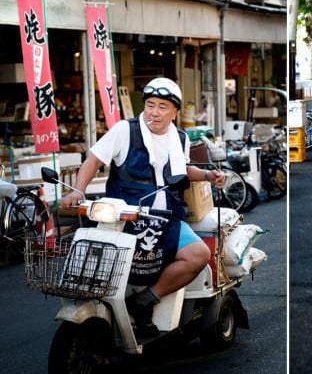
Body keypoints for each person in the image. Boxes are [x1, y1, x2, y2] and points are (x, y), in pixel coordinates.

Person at [60, 77, 225, 337]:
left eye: (162, 106)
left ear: (174, 112)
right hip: (123, 218)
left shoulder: (179, 138)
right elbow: (93, 161)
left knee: (199, 255)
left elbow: (182, 170)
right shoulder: (124, 130)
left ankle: (146, 300)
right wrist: (77, 191)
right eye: (150, 105)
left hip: (164, 218)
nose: (154, 112)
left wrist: (207, 176)